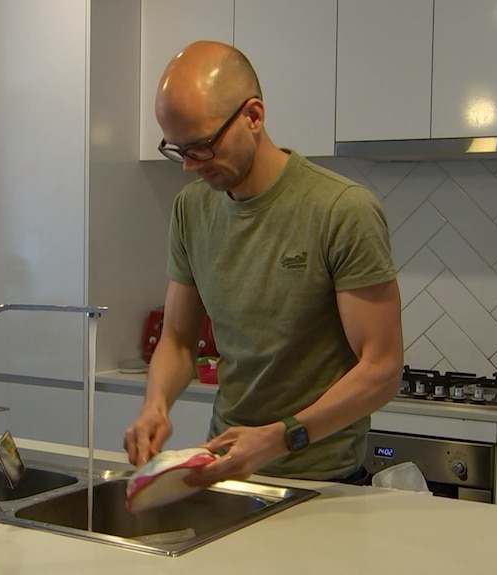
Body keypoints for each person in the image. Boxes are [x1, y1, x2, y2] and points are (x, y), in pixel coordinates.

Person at [123, 41, 404, 485]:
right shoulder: (191, 210)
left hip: (323, 481)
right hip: (226, 470)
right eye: (177, 150)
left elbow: (382, 369)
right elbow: (178, 340)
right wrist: (154, 406)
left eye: (200, 147)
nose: (189, 168)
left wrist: (280, 437)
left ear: (253, 116)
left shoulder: (342, 210)